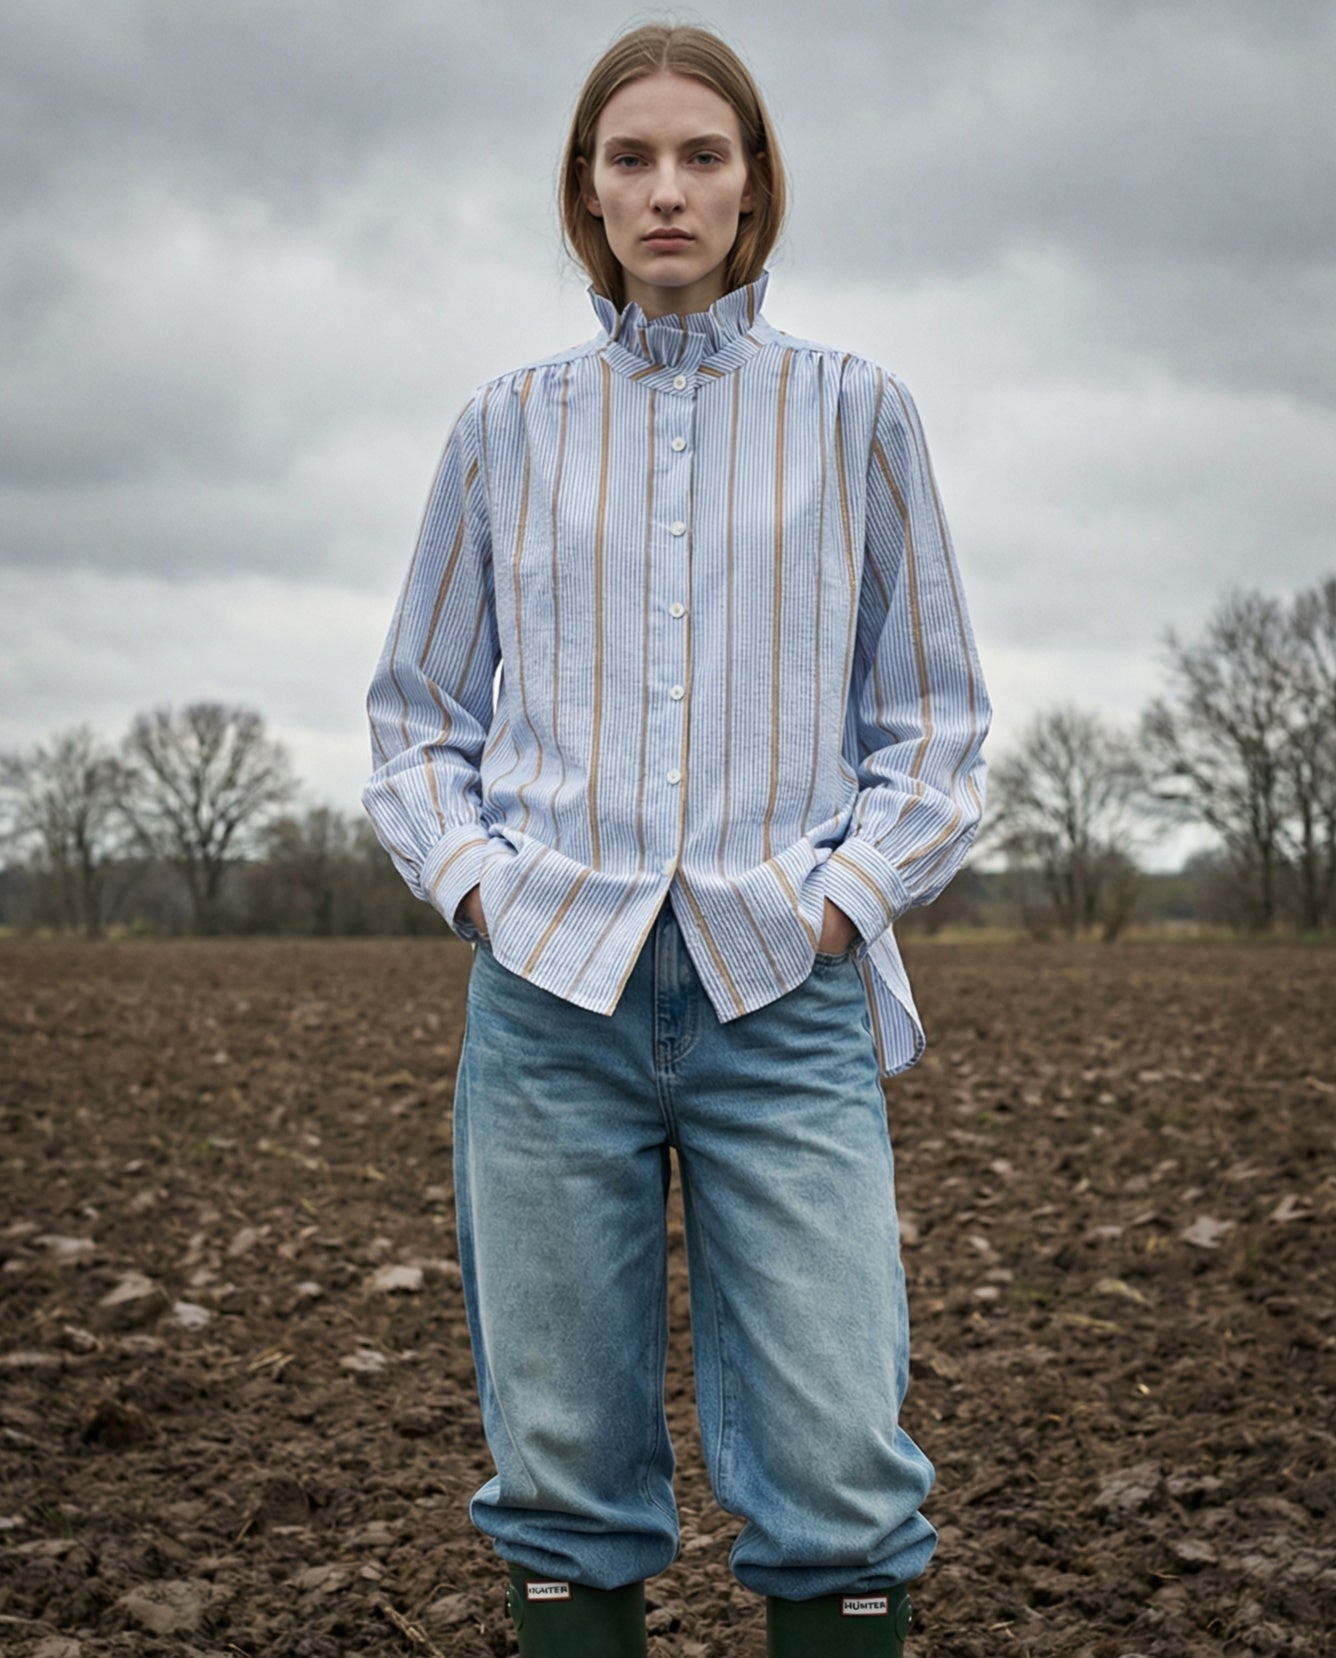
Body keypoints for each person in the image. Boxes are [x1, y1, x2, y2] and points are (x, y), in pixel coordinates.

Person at [363, 22, 990, 1657]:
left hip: (781, 998)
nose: (666, 189)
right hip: (547, 1008)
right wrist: (484, 891)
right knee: (561, 1469)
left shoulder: (859, 416)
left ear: (755, 184)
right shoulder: (504, 430)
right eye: (630, 158)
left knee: (845, 1473)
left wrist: (841, 907)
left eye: (701, 156)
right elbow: (415, 717)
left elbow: (934, 722)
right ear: (586, 191)